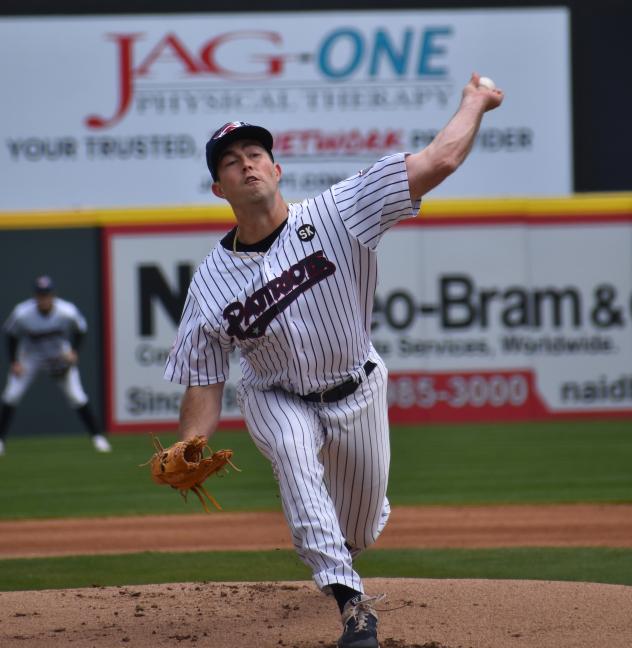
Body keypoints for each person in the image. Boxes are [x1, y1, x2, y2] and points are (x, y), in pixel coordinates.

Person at [164, 73, 503, 647]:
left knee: (361, 527)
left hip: (358, 389)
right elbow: (205, 375)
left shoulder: (339, 212)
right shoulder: (210, 283)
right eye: (229, 161)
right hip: (275, 395)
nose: (245, 164)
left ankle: (339, 549)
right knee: (295, 457)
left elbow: (439, 161)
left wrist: (475, 101)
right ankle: (353, 608)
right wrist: (192, 439)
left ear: (277, 170)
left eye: (255, 153)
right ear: (218, 187)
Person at [0, 275, 111, 455]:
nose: (44, 298)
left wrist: (74, 351)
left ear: (53, 295)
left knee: (77, 396)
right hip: (30, 357)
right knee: (11, 395)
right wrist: (14, 361)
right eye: (40, 295)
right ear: (35, 296)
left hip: (59, 356)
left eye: (47, 294)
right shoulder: (22, 312)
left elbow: (81, 329)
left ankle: (98, 437)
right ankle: (0, 441)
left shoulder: (66, 311)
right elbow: (10, 334)